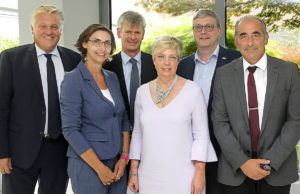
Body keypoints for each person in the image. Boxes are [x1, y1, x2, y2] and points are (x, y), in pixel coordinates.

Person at [212, 15, 300, 194]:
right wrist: (243, 163)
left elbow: (295, 121)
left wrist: (269, 162)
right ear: (236, 41)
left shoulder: (288, 71)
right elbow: (220, 123)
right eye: (243, 36)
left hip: (278, 168)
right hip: (235, 170)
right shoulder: (223, 75)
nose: (250, 42)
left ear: (266, 37)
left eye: (256, 35)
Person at [0, 6, 81, 194]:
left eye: (54, 26)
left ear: (61, 29)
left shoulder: (74, 59)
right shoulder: (11, 59)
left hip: (59, 150)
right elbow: (1, 110)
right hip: (20, 151)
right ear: (32, 28)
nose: (49, 32)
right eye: (42, 26)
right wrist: (3, 153)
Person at [128, 35, 217, 194]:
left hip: (184, 176)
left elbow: (201, 136)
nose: (166, 62)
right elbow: (137, 134)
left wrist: (199, 173)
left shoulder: (193, 91)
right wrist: (133, 171)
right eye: (161, 57)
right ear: (154, 60)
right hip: (148, 175)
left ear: (178, 61)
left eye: (172, 57)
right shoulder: (141, 92)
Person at [60, 24, 131, 194]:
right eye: (97, 42)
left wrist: (124, 157)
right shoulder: (72, 80)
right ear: (85, 43)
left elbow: (123, 120)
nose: (103, 48)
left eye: (107, 43)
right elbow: (70, 130)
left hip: (116, 163)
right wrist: (100, 168)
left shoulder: (111, 77)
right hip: (88, 165)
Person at [177, 10, 241, 194]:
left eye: (208, 27)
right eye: (198, 27)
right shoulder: (183, 65)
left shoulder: (236, 60)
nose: (203, 31)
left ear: (219, 31)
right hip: (190, 148)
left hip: (227, 149)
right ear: (194, 31)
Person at [103, 10, 157, 126]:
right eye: (128, 32)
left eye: (137, 32)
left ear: (143, 34)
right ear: (118, 33)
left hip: (150, 132)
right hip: (117, 133)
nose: (133, 37)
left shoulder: (156, 64)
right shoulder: (106, 66)